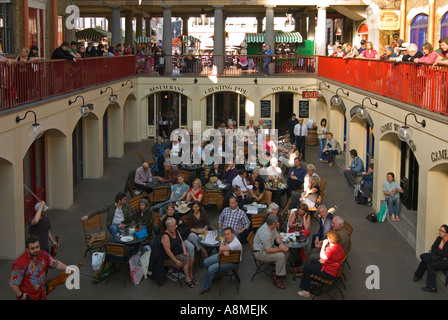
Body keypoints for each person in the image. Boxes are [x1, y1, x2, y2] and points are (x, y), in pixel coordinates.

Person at [9, 236, 74, 300]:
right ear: (27, 249)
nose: (36, 250)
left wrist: (67, 268)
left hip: (41, 294)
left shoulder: (43, 254)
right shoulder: (20, 263)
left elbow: (55, 263)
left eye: (37, 247)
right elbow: (13, 284)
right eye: (32, 248)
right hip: (29, 297)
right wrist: (21, 296)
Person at [297, 230, 345, 298]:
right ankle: (309, 280)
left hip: (329, 273)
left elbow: (322, 256)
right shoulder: (338, 245)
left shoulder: (330, 250)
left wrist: (323, 246)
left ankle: (305, 291)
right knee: (313, 262)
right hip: (333, 268)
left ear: (330, 239)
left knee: (308, 268)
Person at [198, 227, 242, 295]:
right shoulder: (225, 239)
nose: (226, 236)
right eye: (225, 234)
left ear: (233, 234)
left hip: (232, 262)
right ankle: (215, 275)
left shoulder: (235, 243)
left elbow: (221, 248)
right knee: (206, 262)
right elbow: (219, 252)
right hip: (224, 257)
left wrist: (223, 247)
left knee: (211, 269)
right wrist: (223, 251)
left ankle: (205, 287)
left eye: (228, 234)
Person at [253, 214, 289, 289]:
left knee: (286, 252)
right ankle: (277, 277)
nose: (278, 223)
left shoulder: (272, 227)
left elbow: (277, 236)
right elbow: (268, 250)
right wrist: (280, 249)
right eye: (277, 222)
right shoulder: (266, 233)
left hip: (268, 247)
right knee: (281, 256)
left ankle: (277, 270)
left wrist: (281, 244)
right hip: (260, 252)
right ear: (273, 224)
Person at [161, 218, 196, 287]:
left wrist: (185, 251)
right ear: (167, 227)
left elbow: (182, 242)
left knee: (192, 259)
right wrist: (176, 261)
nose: (173, 227)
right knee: (186, 261)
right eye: (171, 226)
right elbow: (168, 251)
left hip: (180, 252)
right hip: (171, 256)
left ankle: (190, 274)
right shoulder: (166, 236)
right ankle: (187, 278)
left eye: (174, 225)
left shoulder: (176, 231)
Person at [413, 225, 448, 293]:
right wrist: (438, 253)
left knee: (430, 265)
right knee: (425, 260)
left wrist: (437, 253)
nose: (440, 232)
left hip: (445, 261)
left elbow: (444, 254)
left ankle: (432, 287)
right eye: (440, 230)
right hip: (439, 258)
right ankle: (417, 275)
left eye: (442, 231)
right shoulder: (439, 238)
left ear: (446, 233)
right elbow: (433, 248)